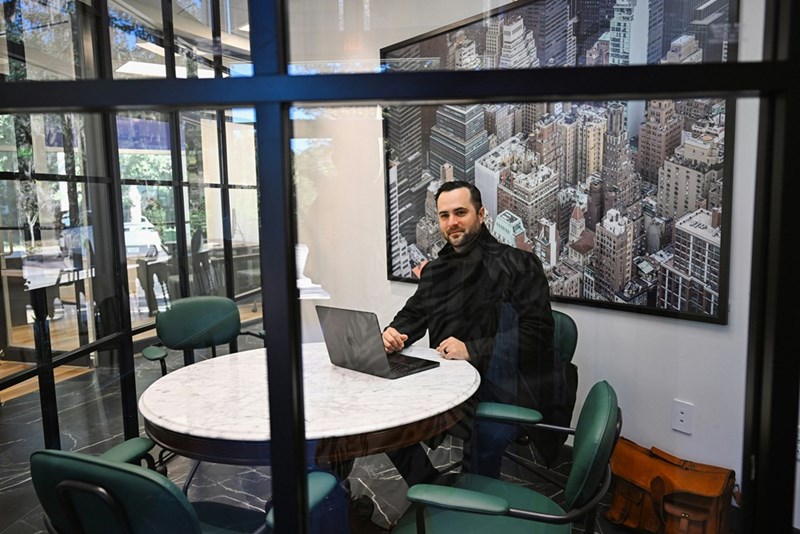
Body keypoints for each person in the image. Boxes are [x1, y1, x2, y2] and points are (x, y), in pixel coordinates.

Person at [382, 180, 565, 484]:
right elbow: (414, 313)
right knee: (389, 422)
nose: (452, 222)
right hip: (448, 383)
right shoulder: (437, 270)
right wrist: (393, 331)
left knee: (484, 438)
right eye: (444, 215)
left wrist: (472, 349)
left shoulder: (519, 264)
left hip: (507, 385)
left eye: (460, 212)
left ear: (481, 214)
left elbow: (538, 334)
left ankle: (473, 505)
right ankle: (433, 490)